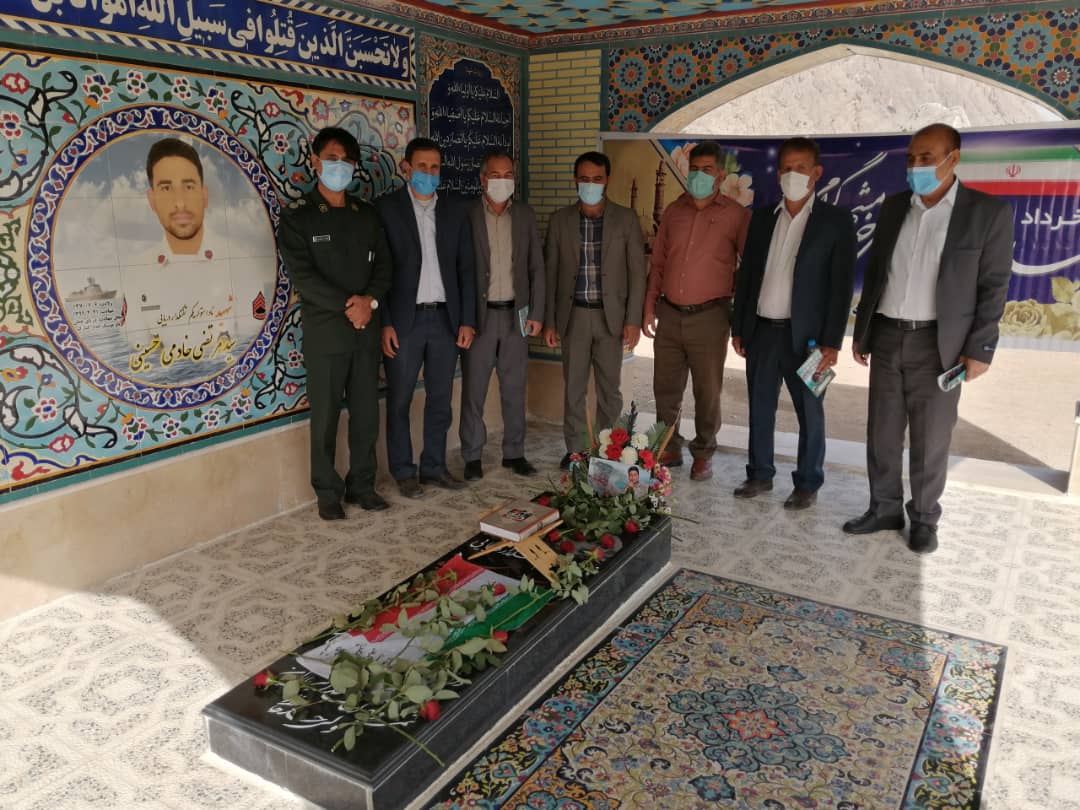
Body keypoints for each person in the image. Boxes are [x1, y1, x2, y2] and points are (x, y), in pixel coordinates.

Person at [844, 123, 1013, 553]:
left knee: (931, 437)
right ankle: (884, 508)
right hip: (887, 335)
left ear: (953, 159)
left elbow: (994, 286)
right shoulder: (895, 206)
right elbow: (878, 272)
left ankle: (923, 518)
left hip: (940, 346)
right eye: (911, 158)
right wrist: (863, 332)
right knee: (882, 432)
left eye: (926, 158)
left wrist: (980, 348)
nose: (916, 166)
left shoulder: (987, 213)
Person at [731, 137, 856, 509]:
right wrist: (739, 327)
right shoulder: (762, 218)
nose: (792, 174)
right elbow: (747, 276)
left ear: (816, 173)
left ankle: (807, 482)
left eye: (800, 168)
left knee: (810, 413)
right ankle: (759, 474)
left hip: (810, 340)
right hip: (762, 331)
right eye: (786, 168)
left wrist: (832, 342)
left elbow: (840, 288)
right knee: (760, 407)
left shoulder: (836, 222)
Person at [277, 126, 393, 520]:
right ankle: (327, 492)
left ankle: (363, 485)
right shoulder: (298, 217)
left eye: (346, 160)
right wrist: (351, 305)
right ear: (315, 161)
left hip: (365, 330)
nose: (339, 166)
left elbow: (385, 267)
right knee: (325, 416)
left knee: (366, 414)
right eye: (331, 158)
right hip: (327, 334)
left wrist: (369, 302)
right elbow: (304, 278)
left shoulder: (366, 215)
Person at [643, 141, 751, 481]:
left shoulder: (736, 215)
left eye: (707, 170)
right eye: (694, 170)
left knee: (707, 390)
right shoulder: (674, 212)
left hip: (710, 317)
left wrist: (739, 321)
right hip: (669, 313)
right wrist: (649, 307)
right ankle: (668, 445)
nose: (699, 176)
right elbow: (658, 263)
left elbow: (749, 269)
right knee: (665, 388)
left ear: (720, 175)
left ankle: (704, 452)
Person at [376, 137, 476, 497]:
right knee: (400, 399)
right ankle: (404, 471)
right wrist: (385, 322)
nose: (429, 173)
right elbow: (379, 273)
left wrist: (467, 320)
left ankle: (434, 467)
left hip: (445, 320)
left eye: (435, 167)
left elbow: (466, 269)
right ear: (406, 167)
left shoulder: (454, 210)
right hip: (405, 322)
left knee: (440, 399)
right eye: (422, 166)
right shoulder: (386, 209)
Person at [544, 151, 646, 469]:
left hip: (611, 318)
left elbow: (637, 274)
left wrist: (633, 320)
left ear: (607, 180)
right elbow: (550, 274)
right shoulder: (560, 221)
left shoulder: (626, 219)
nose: (591, 185)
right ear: (575, 180)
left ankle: (607, 450)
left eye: (597, 179)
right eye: (584, 179)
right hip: (573, 316)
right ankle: (576, 450)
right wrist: (550, 321)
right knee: (574, 389)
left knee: (609, 390)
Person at [459, 149, 545, 481]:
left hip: (515, 316)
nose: (503, 181)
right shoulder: (467, 214)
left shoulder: (524, 215)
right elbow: (458, 269)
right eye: (496, 175)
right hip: (479, 318)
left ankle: (514, 453)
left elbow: (537, 267)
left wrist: (536, 312)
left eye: (508, 175)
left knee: (514, 388)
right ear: (482, 179)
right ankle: (472, 456)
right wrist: (464, 318)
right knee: (474, 391)